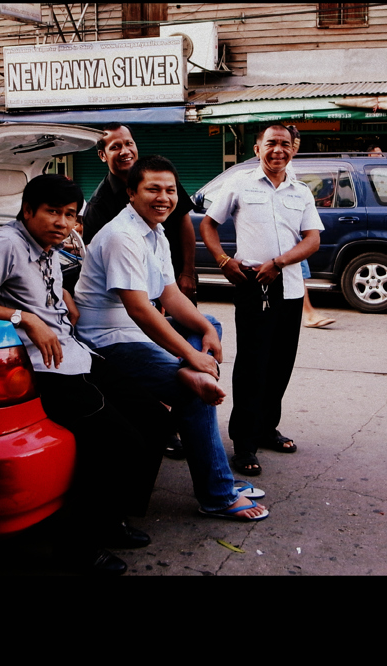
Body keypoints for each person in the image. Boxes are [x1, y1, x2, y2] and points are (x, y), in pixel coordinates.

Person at [0, 175, 165, 575]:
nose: (62, 223)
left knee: (154, 416)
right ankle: (78, 551)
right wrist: (24, 317)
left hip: (76, 353)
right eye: (52, 212)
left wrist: (58, 298)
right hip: (48, 369)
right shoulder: (5, 243)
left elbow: (35, 289)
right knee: (118, 443)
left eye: (69, 215)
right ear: (28, 211)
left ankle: (112, 518)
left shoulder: (47, 248)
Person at [75, 155, 268, 521]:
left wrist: (207, 331)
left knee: (206, 323)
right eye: (153, 189)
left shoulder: (154, 230)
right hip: (107, 341)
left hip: (133, 332)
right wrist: (191, 358)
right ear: (131, 193)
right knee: (194, 392)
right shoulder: (122, 235)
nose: (163, 197)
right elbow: (140, 310)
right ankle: (217, 495)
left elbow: (170, 296)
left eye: (169, 190)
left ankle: (188, 380)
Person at [199, 123, 323, 477]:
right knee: (253, 364)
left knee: (281, 362)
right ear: (257, 149)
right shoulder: (238, 185)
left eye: (285, 144)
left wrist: (281, 262)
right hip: (253, 284)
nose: (278, 150)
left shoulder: (300, 191)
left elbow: (312, 239)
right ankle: (244, 442)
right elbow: (208, 225)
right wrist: (224, 260)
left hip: (290, 285)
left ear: (293, 149)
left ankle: (267, 428)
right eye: (271, 144)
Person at [82, 123, 196, 459]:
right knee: (193, 384)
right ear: (103, 155)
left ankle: (171, 415)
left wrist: (186, 274)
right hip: (123, 318)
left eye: (128, 143)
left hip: (153, 294)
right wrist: (192, 358)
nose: (125, 151)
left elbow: (185, 224)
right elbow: (134, 305)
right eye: (115, 147)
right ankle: (171, 420)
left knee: (206, 327)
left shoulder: (157, 183)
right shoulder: (106, 211)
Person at [285, 126, 334, 330]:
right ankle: (307, 313)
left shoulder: (290, 167)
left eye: (295, 145)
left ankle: (307, 312)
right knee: (297, 270)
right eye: (292, 144)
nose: (294, 149)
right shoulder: (284, 168)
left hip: (295, 231)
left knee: (298, 271)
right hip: (291, 232)